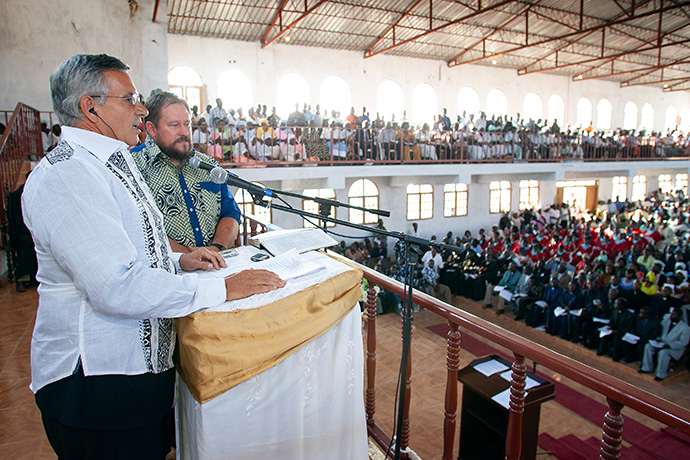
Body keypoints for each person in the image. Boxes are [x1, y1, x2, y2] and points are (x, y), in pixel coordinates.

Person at [23, 54, 285, 460]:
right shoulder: (68, 175)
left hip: (140, 373)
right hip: (97, 384)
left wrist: (181, 260)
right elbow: (115, 284)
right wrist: (222, 288)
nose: (141, 109)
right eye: (129, 99)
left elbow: (137, 243)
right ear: (89, 107)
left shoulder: (113, 164)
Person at [131, 91, 242, 254]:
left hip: (216, 266)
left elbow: (230, 212)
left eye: (187, 124)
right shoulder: (135, 167)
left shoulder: (208, 165)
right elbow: (139, 227)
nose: (184, 132)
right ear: (152, 129)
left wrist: (215, 249)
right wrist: (186, 258)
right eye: (174, 125)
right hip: (167, 272)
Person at [639, 307, 690, 381]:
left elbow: (683, 342)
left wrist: (669, 345)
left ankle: (661, 374)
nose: (671, 316)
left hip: (674, 348)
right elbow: (660, 333)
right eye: (671, 314)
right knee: (648, 346)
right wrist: (657, 339)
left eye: (674, 315)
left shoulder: (685, 328)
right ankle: (647, 368)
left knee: (663, 353)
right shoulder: (665, 321)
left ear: (679, 316)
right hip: (662, 344)